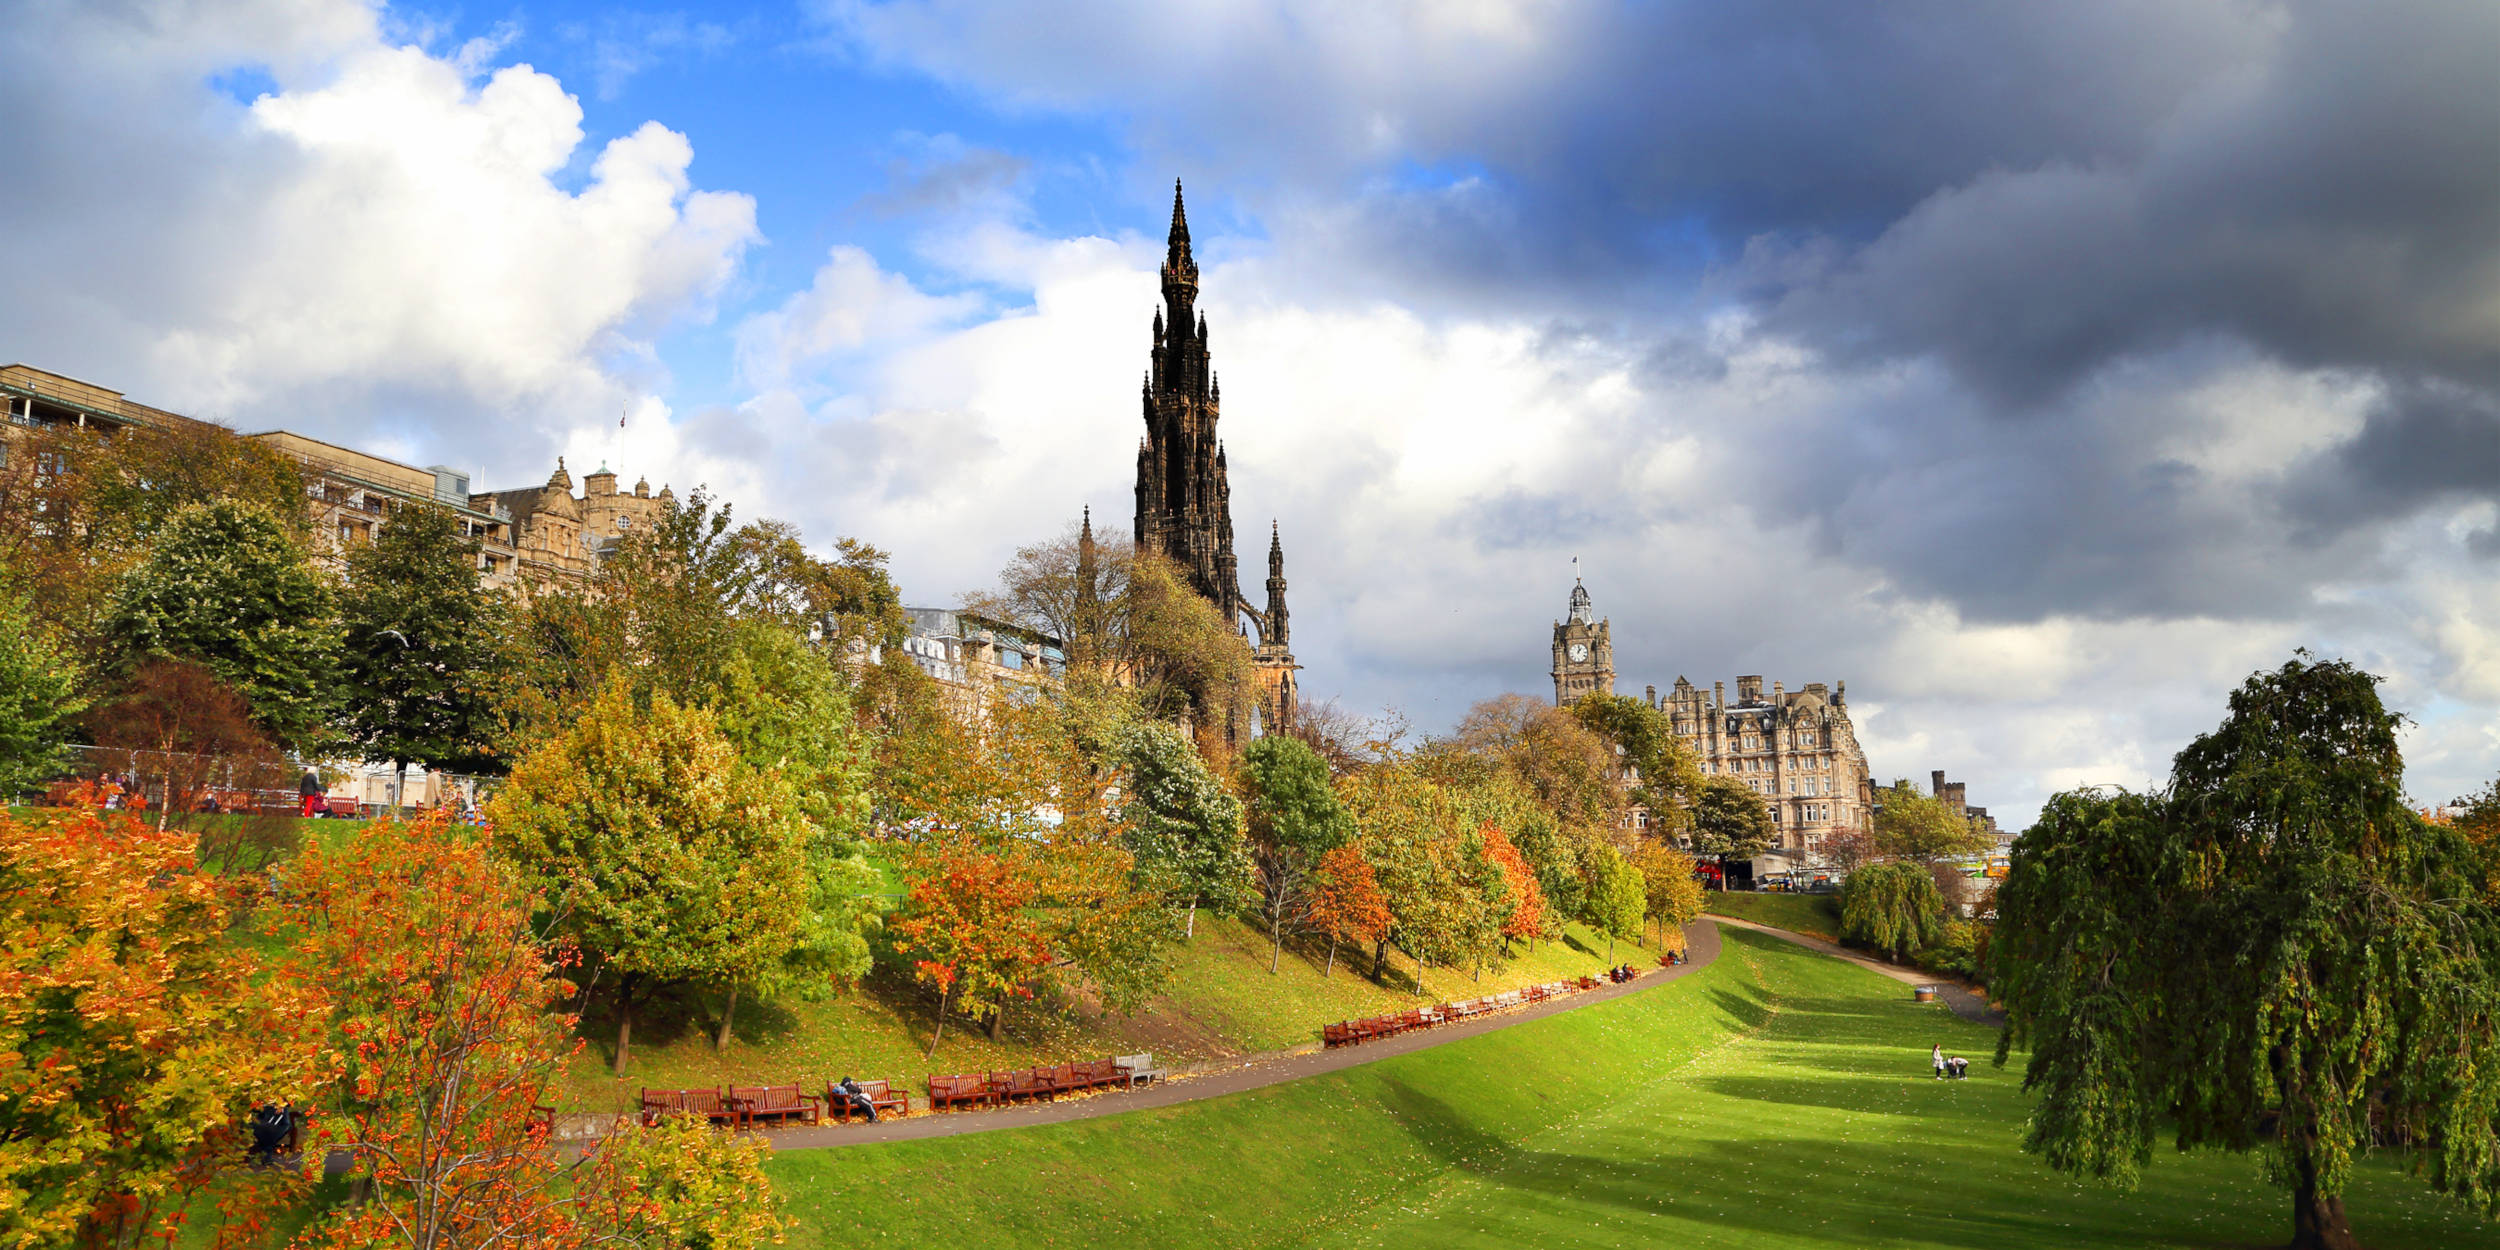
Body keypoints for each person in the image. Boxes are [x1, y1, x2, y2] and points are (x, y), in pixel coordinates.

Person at [248, 1102, 295, 1167]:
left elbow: (289, 1101)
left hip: (280, 1122)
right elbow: (256, 1110)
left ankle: (264, 1157)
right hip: (264, 1119)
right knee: (261, 1128)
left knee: (270, 1131)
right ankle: (265, 1157)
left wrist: (281, 1106)